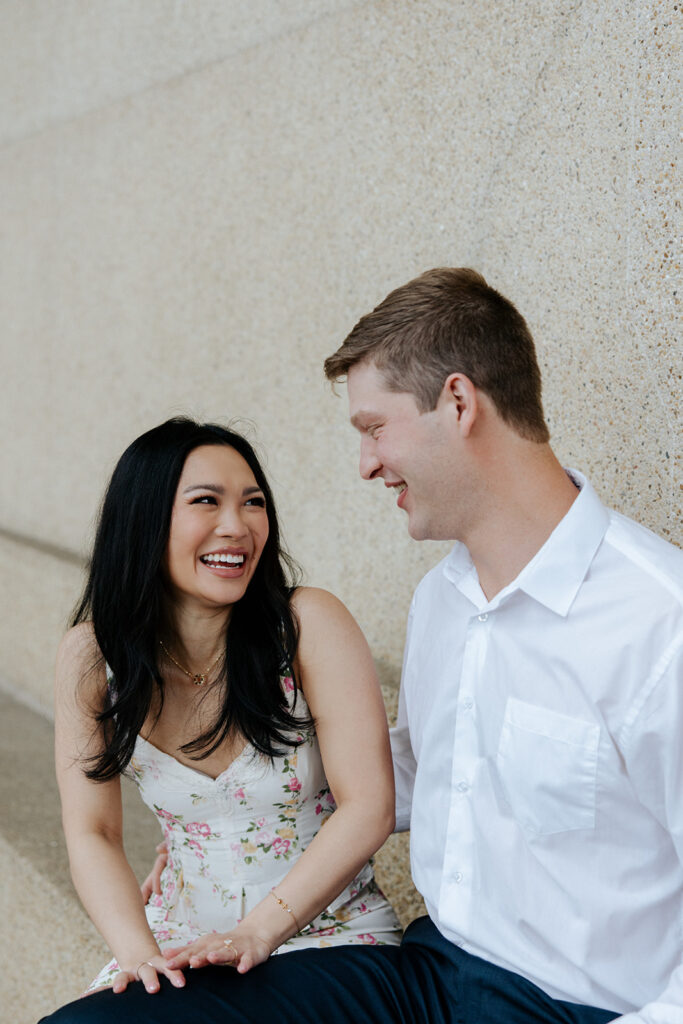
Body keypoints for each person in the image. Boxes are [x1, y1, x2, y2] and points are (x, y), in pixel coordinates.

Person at [41, 269, 683, 1024]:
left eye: (373, 428)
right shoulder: (444, 600)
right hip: (429, 978)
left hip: (572, 1008)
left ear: (458, 403)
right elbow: (422, 769)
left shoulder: (657, 624)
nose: (366, 464)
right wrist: (222, 818)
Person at [47, 418, 401, 1002]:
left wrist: (256, 932)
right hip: (178, 938)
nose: (237, 526)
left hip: (329, 935)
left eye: (253, 502)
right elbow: (94, 831)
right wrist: (139, 957)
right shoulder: (91, 658)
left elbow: (369, 806)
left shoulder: (307, 625)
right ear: (144, 519)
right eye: (206, 501)